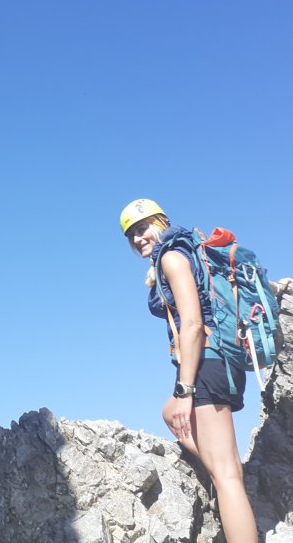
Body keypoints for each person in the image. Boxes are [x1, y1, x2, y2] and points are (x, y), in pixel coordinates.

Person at [119, 198, 258, 543]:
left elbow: (193, 324)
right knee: (171, 415)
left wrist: (184, 390)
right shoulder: (188, 253)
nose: (137, 238)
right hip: (213, 360)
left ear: (161, 223)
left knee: (226, 477)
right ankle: (225, 465)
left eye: (142, 228)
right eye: (130, 234)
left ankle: (229, 477)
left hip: (206, 361)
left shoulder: (171, 257)